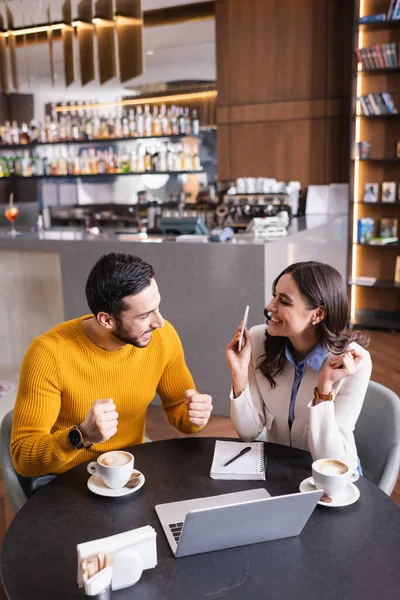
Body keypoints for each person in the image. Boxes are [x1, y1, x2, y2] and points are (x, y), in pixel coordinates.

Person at [11, 252, 213, 493]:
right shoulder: (48, 354)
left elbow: (180, 411)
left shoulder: (162, 337)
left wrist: (194, 416)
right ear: (106, 320)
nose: (159, 322)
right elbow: (24, 458)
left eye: (157, 308)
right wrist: (81, 435)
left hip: (128, 470)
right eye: (145, 315)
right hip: (64, 477)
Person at [226, 261, 372, 471]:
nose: (269, 307)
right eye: (274, 295)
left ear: (318, 314)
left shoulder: (355, 361)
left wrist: (324, 388)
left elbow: (332, 461)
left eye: (284, 301)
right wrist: (239, 375)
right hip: (282, 467)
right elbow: (248, 433)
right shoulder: (258, 340)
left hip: (335, 475)